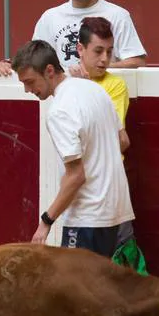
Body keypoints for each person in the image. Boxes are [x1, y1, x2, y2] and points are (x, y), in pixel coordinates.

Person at [12, 39, 134, 254]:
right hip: (117, 209)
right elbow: (123, 141)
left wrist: (46, 221)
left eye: (30, 82)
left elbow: (76, 176)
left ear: (49, 70)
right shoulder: (94, 89)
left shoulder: (60, 111)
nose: (27, 89)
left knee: (76, 287)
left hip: (88, 216)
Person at [75, 16, 130, 154]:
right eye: (98, 51)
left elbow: (115, 138)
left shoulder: (115, 85)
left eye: (109, 51)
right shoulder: (66, 80)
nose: (105, 59)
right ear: (80, 49)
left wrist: (86, 89)